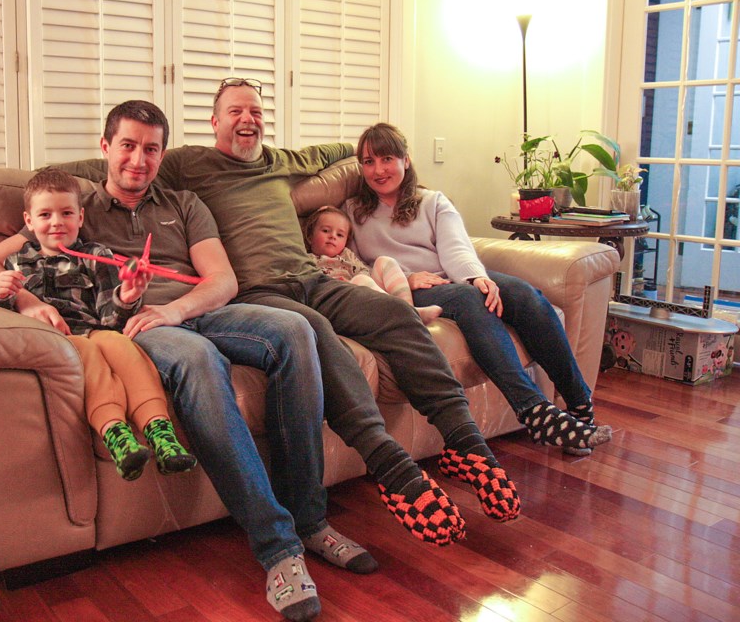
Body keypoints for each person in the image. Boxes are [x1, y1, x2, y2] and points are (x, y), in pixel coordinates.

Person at [53, 78, 521, 542]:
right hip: (259, 293)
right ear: (214, 122)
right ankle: (387, 464)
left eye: (255, 112)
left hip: (315, 278)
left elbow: (335, 153)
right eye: (235, 112)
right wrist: (36, 185)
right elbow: (113, 165)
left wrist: (375, 149)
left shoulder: (280, 161)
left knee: (395, 315)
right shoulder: (187, 165)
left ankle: (467, 444)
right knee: (310, 328)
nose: (247, 119)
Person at [0, 101, 377, 622]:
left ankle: (311, 521)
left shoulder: (186, 203)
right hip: (138, 327)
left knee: (295, 329)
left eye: (151, 148)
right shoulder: (76, 208)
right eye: (128, 146)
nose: (139, 159)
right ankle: (279, 549)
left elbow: (223, 281)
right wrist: (25, 300)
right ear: (105, 149)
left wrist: (177, 307)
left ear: (163, 154)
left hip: (197, 311)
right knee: (201, 360)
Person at [346, 122, 613, 456]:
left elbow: (456, 247)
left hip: (453, 274)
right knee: (469, 298)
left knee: (525, 296)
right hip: (409, 288)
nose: (378, 169)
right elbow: (349, 263)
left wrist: (476, 278)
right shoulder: (354, 211)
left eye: (387, 158)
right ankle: (533, 409)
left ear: (406, 160)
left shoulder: (432, 202)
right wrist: (403, 277)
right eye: (368, 162)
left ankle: (579, 405)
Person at [0, 168, 196, 480]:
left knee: (121, 345)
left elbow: (110, 319)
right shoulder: (17, 261)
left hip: (95, 330)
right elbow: (2, 310)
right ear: (29, 221)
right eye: (45, 214)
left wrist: (127, 296)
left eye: (66, 213)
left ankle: (161, 434)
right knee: (87, 353)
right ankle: (117, 436)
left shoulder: (96, 255)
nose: (57, 222)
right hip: (55, 340)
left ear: (80, 217)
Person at [303, 205, 442, 324]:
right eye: (326, 231)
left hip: (366, 294)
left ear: (346, 241)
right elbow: (310, 284)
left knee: (384, 261)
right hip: (343, 302)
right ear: (310, 236)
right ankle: (407, 314)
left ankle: (409, 309)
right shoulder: (308, 259)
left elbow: (363, 271)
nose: (332, 236)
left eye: (340, 235)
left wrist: (355, 282)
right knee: (360, 280)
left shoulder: (347, 255)